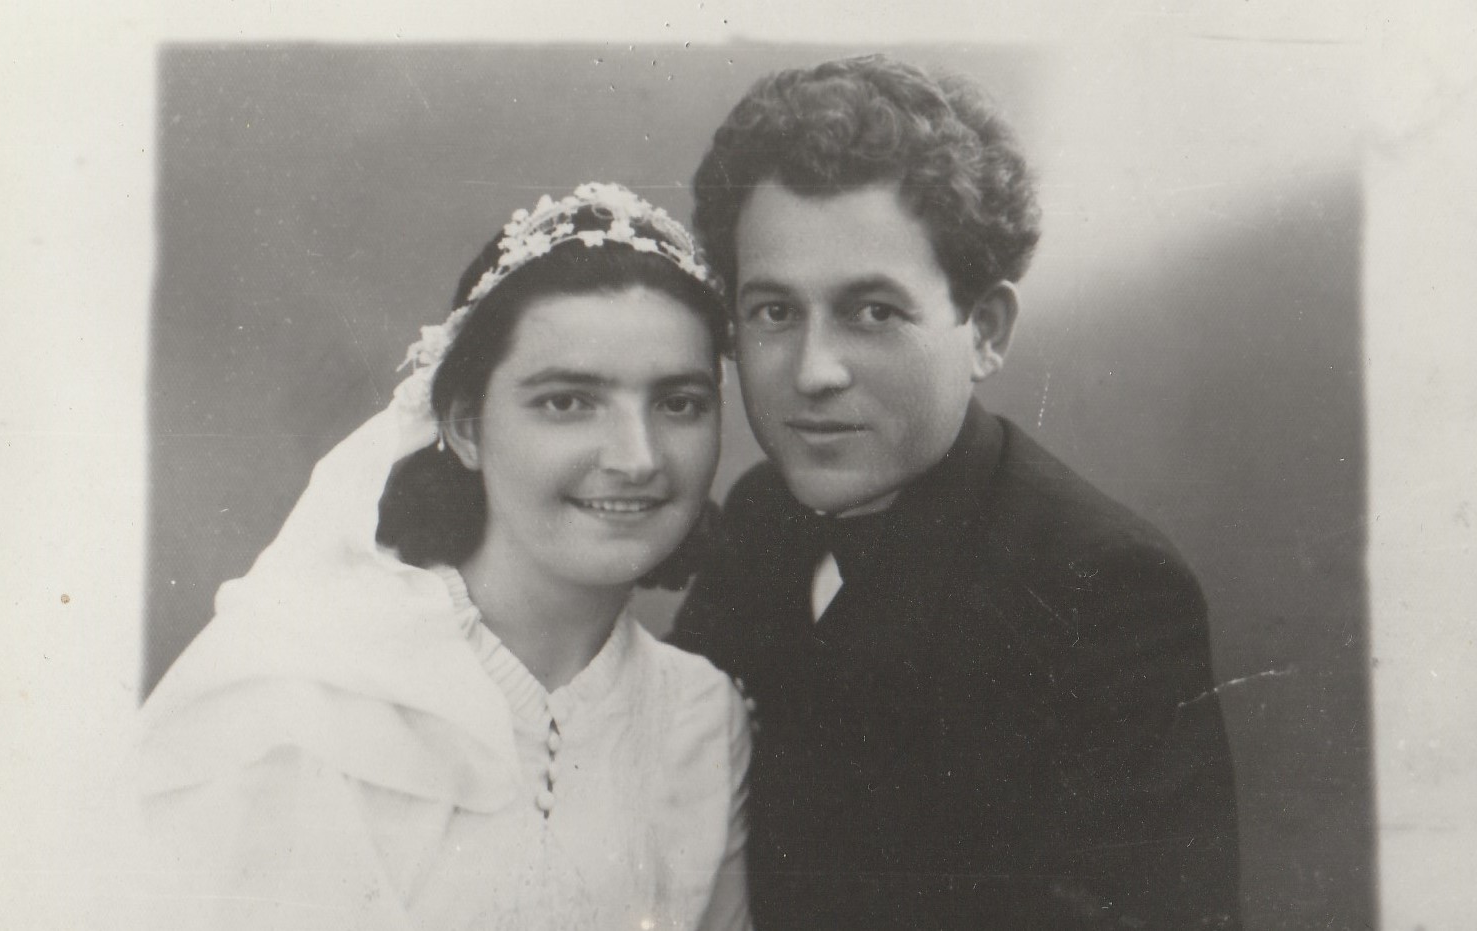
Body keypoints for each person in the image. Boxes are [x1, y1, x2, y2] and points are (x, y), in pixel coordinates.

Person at [671, 55, 1241, 929]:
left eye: (873, 312)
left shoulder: (1105, 587)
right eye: (775, 311)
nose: (813, 372)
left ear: (986, 330)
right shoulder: (760, 516)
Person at [134, 183, 751, 931]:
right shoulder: (307, 689)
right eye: (568, 401)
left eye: (678, 402)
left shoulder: (700, 717)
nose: (637, 456)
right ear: (463, 426)